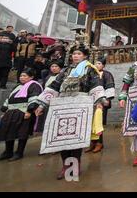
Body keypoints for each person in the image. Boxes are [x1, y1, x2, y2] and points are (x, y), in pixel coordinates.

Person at [29, 43, 106, 180]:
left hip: (81, 104)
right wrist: (41, 104)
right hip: (63, 104)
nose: (75, 56)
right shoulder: (65, 71)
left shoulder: (90, 69)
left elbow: (96, 86)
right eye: (74, 54)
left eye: (79, 54)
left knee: (76, 137)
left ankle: (75, 164)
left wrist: (99, 101)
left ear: (85, 56)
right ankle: (65, 164)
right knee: (62, 136)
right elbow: (54, 86)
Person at [0, 68, 43, 161]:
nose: (22, 78)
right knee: (8, 131)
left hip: (23, 112)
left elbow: (34, 98)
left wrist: (29, 111)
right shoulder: (17, 86)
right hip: (11, 112)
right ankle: (8, 151)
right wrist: (5, 110)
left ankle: (19, 152)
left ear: (31, 77)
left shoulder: (34, 86)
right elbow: (9, 98)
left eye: (24, 76)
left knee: (22, 133)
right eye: (21, 76)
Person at [85, 57, 115, 153]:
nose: (97, 65)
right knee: (90, 122)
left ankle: (99, 143)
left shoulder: (107, 74)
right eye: (95, 63)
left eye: (99, 63)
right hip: (91, 102)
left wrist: (106, 100)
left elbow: (110, 88)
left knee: (99, 123)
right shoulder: (90, 74)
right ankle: (92, 142)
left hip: (102, 102)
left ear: (103, 65)